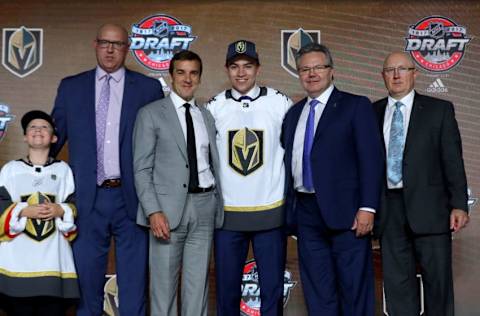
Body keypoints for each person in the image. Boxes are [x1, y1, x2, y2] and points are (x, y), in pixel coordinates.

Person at [50, 24, 164, 316]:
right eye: (104, 43)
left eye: (117, 44)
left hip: (133, 200)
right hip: (88, 200)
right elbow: (52, 142)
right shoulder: (71, 87)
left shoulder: (149, 89)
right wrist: (29, 177)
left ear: (128, 48)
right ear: (95, 45)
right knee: (87, 288)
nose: (110, 49)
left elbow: (163, 147)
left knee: (134, 288)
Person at [282, 43, 383, 315]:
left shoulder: (355, 106)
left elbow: (371, 160)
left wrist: (368, 207)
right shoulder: (294, 114)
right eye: (305, 69)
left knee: (354, 291)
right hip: (306, 214)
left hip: (348, 213)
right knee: (318, 293)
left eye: (318, 67)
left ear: (331, 71)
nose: (311, 74)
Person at [373, 52, 469, 316]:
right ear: (383, 76)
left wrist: (459, 205)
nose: (396, 75)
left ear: (415, 73)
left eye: (402, 69)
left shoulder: (439, 110)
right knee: (397, 285)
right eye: (390, 70)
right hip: (389, 210)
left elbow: (453, 160)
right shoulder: (372, 111)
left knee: (438, 285)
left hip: (432, 210)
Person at [133, 50, 223, 316]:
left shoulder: (205, 115)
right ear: (171, 76)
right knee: (163, 289)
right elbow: (141, 168)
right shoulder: (150, 114)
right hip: (166, 211)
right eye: (181, 72)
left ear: (199, 77)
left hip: (204, 206)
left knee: (198, 289)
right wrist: (153, 211)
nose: (187, 78)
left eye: (193, 73)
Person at [206, 40, 292, 315]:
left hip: (270, 215)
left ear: (258, 68)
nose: (241, 73)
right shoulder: (214, 107)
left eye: (247, 66)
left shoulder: (280, 102)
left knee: (272, 292)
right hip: (228, 217)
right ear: (226, 69)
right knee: (226, 293)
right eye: (234, 66)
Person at [0, 110, 78, 316]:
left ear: (53, 138)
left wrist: (61, 209)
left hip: (53, 260)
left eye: (44, 127)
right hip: (15, 260)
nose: (38, 130)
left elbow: (74, 204)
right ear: (25, 136)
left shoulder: (64, 170)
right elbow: (1, 203)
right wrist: (24, 210)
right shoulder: (11, 169)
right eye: (32, 127)